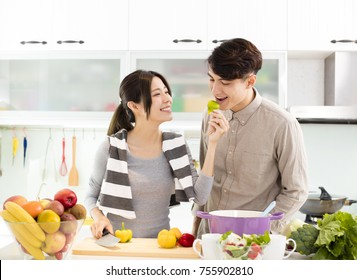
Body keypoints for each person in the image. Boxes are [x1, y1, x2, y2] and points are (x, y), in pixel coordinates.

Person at [85, 69, 228, 239]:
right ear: (134, 105)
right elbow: (90, 196)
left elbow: (200, 197)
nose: (168, 99)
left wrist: (213, 143)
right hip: (117, 245)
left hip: (160, 246)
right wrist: (99, 217)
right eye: (157, 94)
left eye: (167, 92)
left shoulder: (175, 146)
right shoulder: (112, 148)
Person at [193, 38, 309, 237]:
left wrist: (264, 230)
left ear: (250, 81)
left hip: (254, 243)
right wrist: (196, 227)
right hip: (209, 236)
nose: (215, 90)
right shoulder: (209, 114)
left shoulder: (282, 124)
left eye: (226, 83)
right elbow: (205, 177)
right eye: (212, 79)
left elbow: (296, 191)